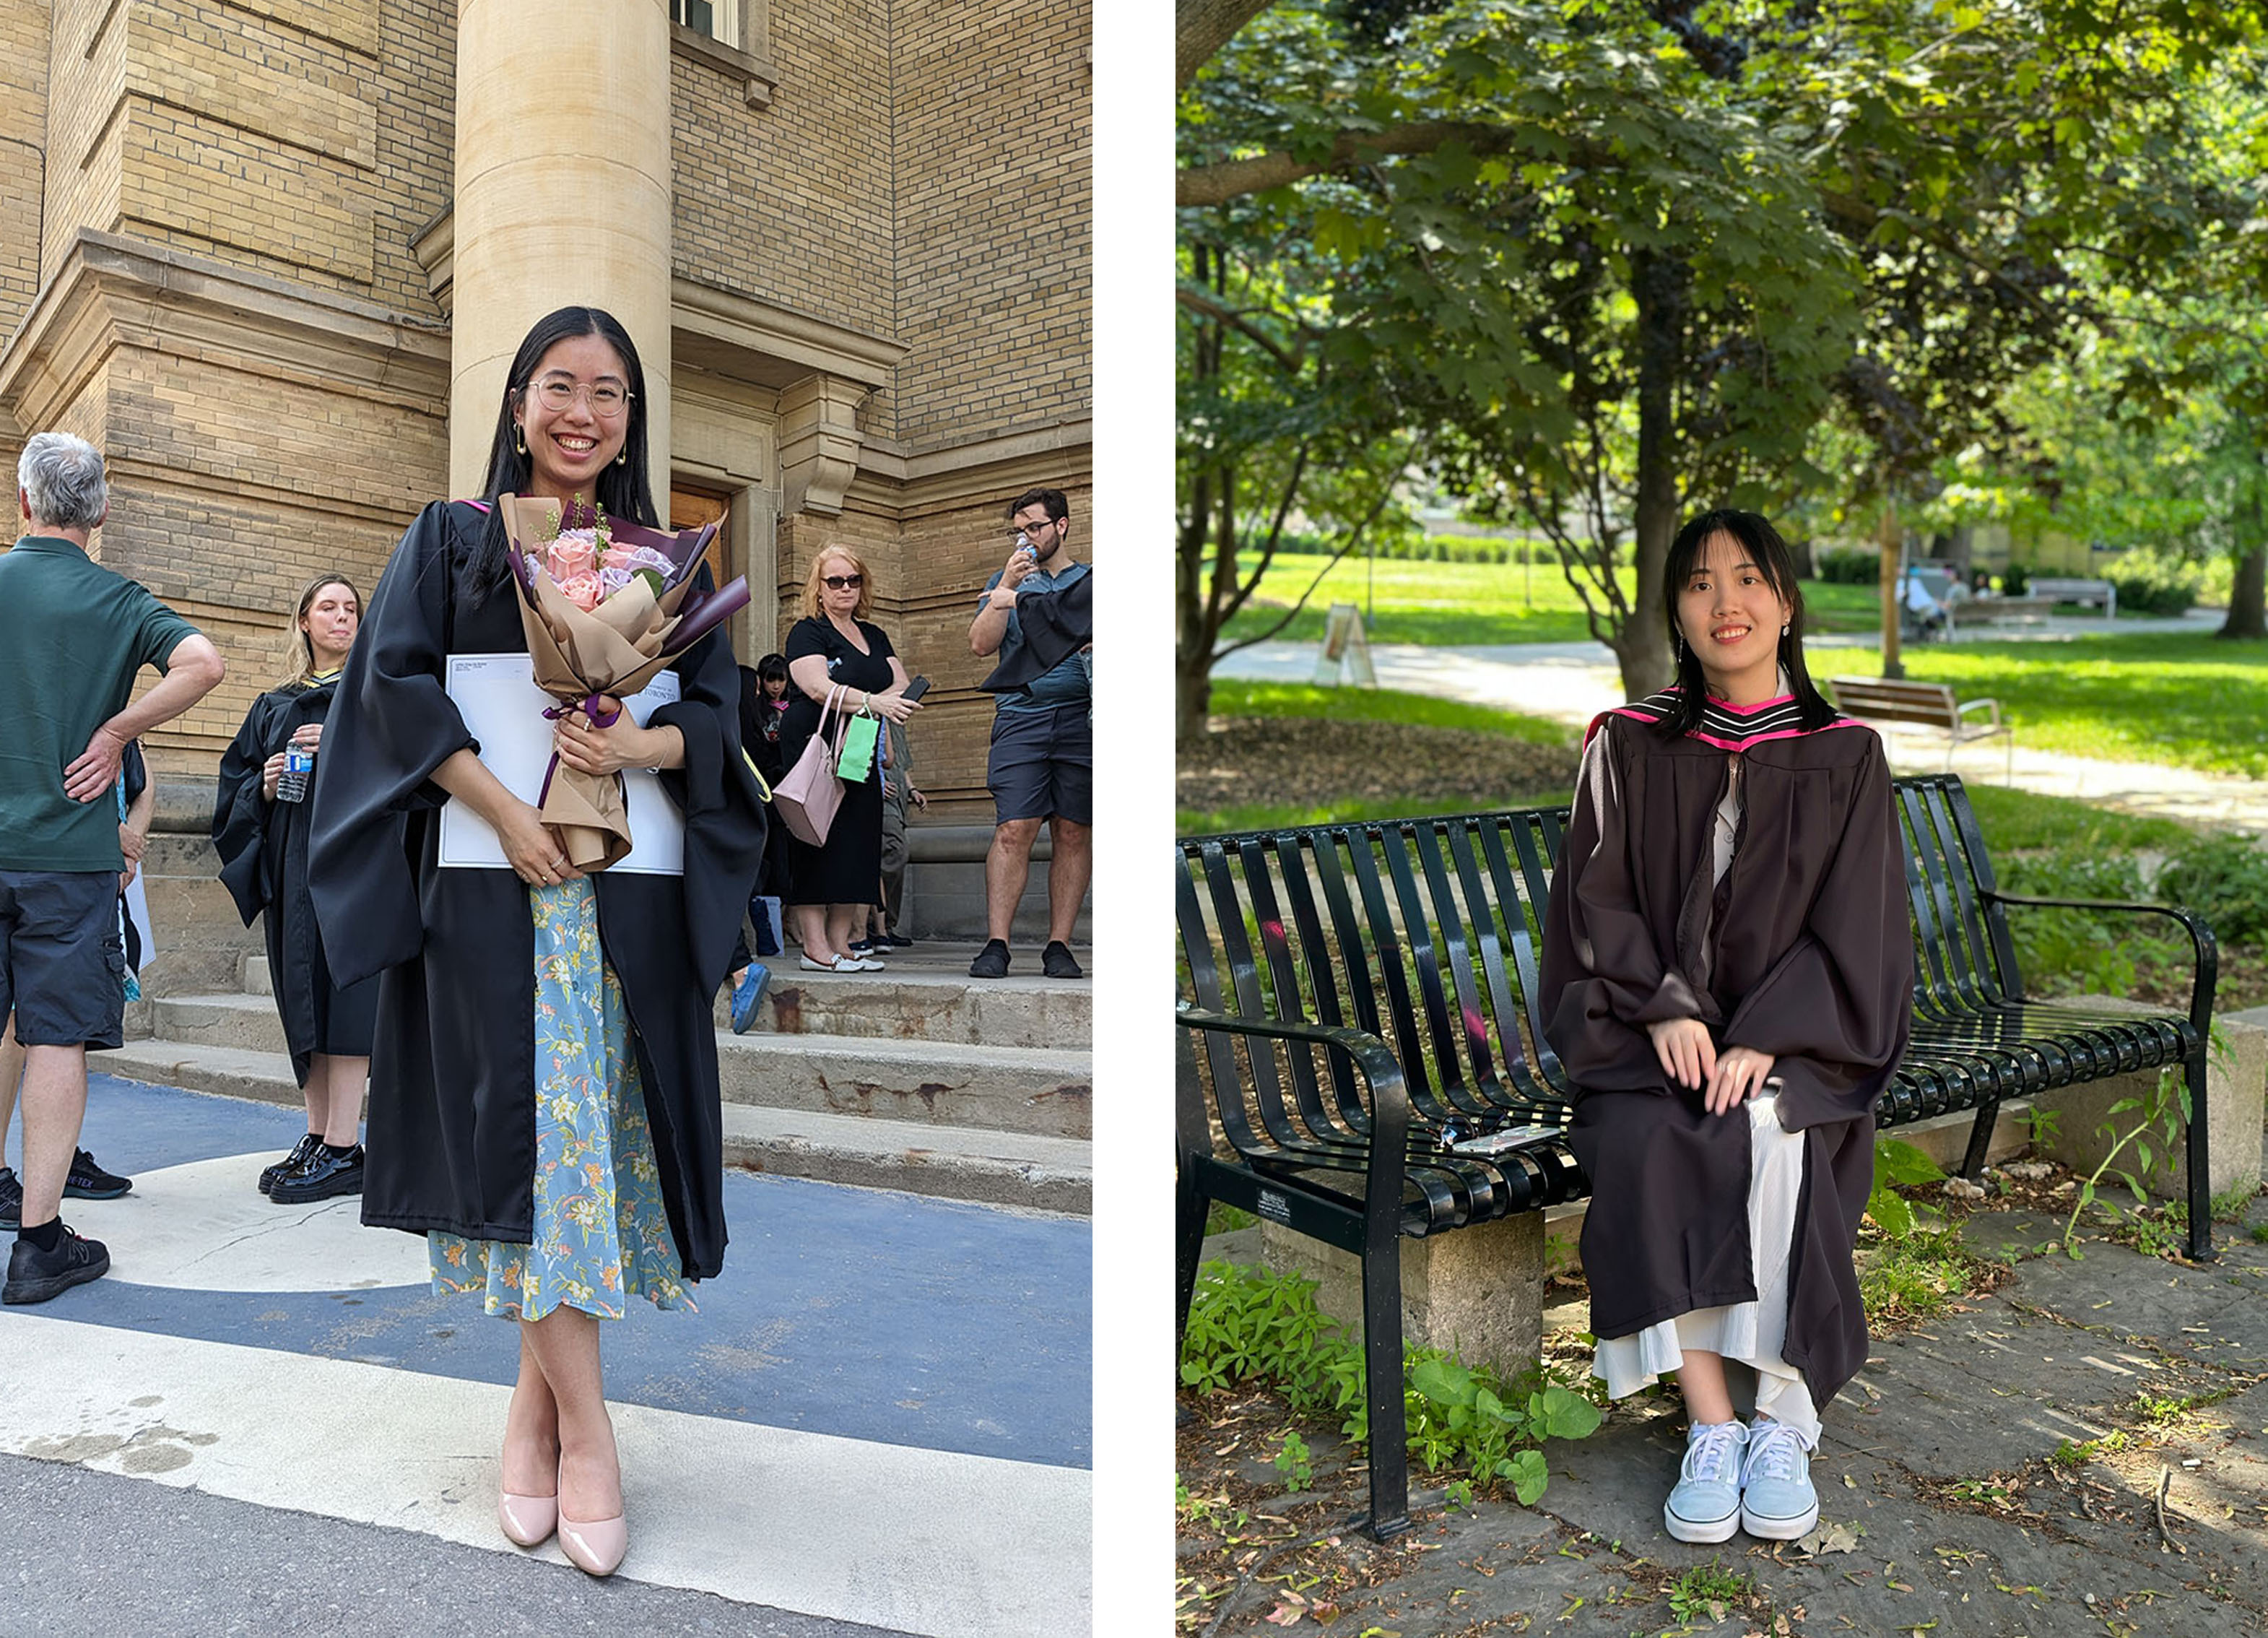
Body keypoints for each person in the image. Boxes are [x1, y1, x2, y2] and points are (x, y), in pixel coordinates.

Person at [305, 306, 763, 1576]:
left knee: (576, 1142)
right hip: (494, 895)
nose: (584, 412)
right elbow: (391, 688)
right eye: (560, 386)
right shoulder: (451, 538)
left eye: (609, 392)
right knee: (534, 1134)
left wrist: (639, 746)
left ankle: (531, 1413)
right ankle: (592, 1433)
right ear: (516, 404)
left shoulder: (666, 560)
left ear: (631, 417)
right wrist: (506, 808)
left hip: (625, 904)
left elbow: (721, 718)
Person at [1539, 508, 1913, 1547]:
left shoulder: (1844, 754)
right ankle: (1711, 1421)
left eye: (1748, 580)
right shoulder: (1626, 745)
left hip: (1804, 1039)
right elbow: (1593, 901)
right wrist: (1661, 1005)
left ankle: (1782, 1418)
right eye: (1699, 585)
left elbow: (1862, 922)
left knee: (1768, 1128)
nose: (1726, 603)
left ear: (1787, 605)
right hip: (1638, 1029)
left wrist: (1775, 1036)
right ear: (1677, 613)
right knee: (1653, 1139)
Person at [0, 432, 225, 1304]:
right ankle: (40, 1243)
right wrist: (116, 731)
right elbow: (204, 662)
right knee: (55, 1035)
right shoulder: (120, 598)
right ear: (98, 512)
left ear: (23, 504)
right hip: (69, 857)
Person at [212, 573, 378, 1203]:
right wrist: (264, 783)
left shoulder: (371, 697)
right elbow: (235, 788)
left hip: (353, 865)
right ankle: (317, 1135)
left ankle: (344, 1144)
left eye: (351, 609)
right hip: (290, 865)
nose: (341, 617)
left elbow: (406, 769)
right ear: (304, 621)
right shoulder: (274, 704)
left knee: (347, 999)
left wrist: (339, 746)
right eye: (327, 608)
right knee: (301, 997)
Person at [0, 740, 150, 1232]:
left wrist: (128, 844)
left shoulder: (116, 719)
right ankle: (16, 1195)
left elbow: (142, 788)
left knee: (53, 1031)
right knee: (31, 1031)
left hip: (89, 867)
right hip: (46, 859)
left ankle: (52, 1166)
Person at [778, 546, 921, 973]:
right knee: (817, 834)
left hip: (860, 740)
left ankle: (842, 943)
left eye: (853, 580)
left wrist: (877, 703)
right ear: (818, 589)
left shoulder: (873, 634)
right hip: (816, 739)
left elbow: (901, 682)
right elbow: (816, 687)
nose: (845, 588)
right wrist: (874, 701)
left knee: (858, 840)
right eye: (835, 581)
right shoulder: (808, 631)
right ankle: (814, 947)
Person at [968, 488, 1090, 979]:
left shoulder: (1089, 581)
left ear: (1060, 525)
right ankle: (996, 943)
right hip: (1022, 715)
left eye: (1034, 527)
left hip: (1080, 718)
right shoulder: (1004, 580)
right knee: (1013, 829)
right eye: (1018, 529)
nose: (1026, 537)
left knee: (1073, 830)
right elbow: (979, 645)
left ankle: (1058, 945)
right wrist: (1006, 591)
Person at [852, 716, 925, 956]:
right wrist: (876, 784)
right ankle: (870, 925)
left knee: (891, 857)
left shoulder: (895, 722)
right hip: (877, 797)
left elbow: (898, 763)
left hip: (898, 798)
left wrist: (912, 789)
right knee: (893, 851)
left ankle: (884, 925)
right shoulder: (866, 712)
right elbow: (857, 756)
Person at [1902, 564, 1948, 640]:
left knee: (1928, 618)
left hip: (1928, 609)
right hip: (1930, 609)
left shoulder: (1914, 582)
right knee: (1929, 617)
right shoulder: (1914, 582)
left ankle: (1933, 635)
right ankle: (1934, 635)